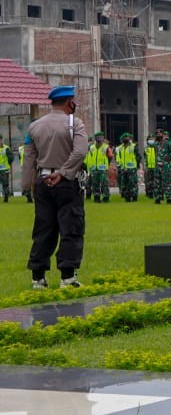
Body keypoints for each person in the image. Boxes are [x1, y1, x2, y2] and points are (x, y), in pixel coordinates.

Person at [22, 85, 88, 288]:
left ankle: (38, 278)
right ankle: (68, 277)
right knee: (71, 228)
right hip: (66, 183)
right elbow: (79, 152)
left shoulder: (35, 126)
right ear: (70, 102)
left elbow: (29, 158)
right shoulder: (75, 124)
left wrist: (28, 185)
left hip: (42, 182)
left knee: (43, 229)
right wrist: (63, 173)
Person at [84, 131, 112, 203]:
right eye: (98, 137)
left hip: (103, 169)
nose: (99, 138)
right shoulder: (91, 147)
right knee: (95, 184)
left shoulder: (106, 147)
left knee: (104, 183)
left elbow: (110, 157)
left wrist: (106, 164)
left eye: (101, 137)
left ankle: (106, 197)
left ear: (103, 138)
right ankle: (96, 197)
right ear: (95, 138)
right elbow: (89, 157)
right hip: (94, 168)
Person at [116, 133, 139, 202]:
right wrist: (119, 166)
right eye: (125, 138)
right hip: (123, 168)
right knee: (125, 183)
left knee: (133, 182)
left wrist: (136, 165)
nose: (126, 139)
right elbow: (118, 157)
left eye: (127, 138)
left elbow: (138, 157)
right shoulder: (120, 148)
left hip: (132, 168)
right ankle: (127, 197)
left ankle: (134, 196)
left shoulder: (133, 146)